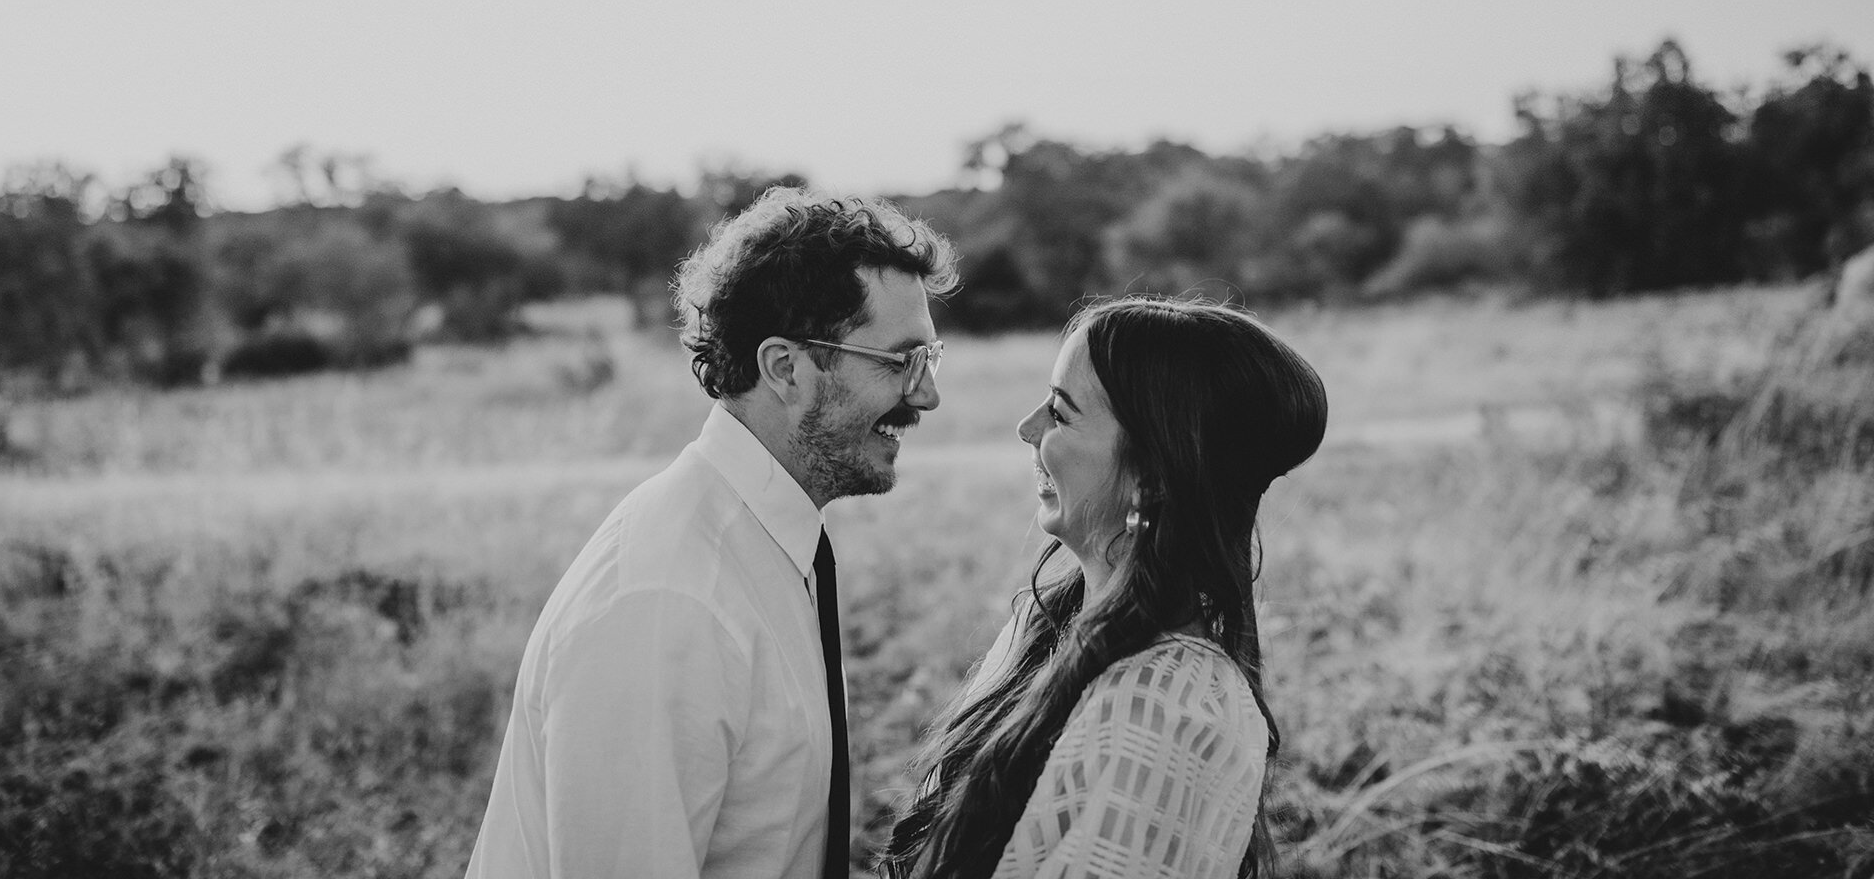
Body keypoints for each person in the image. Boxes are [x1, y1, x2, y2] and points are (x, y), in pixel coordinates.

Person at [467, 186, 958, 879]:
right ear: (786, 368)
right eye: (899, 362)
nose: (926, 394)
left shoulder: (766, 543)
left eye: (929, 359)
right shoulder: (666, 603)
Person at [881, 295, 1327, 879]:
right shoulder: (1047, 626)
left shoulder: (1166, 711)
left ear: (1152, 474)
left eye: (1060, 414)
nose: (1027, 428)